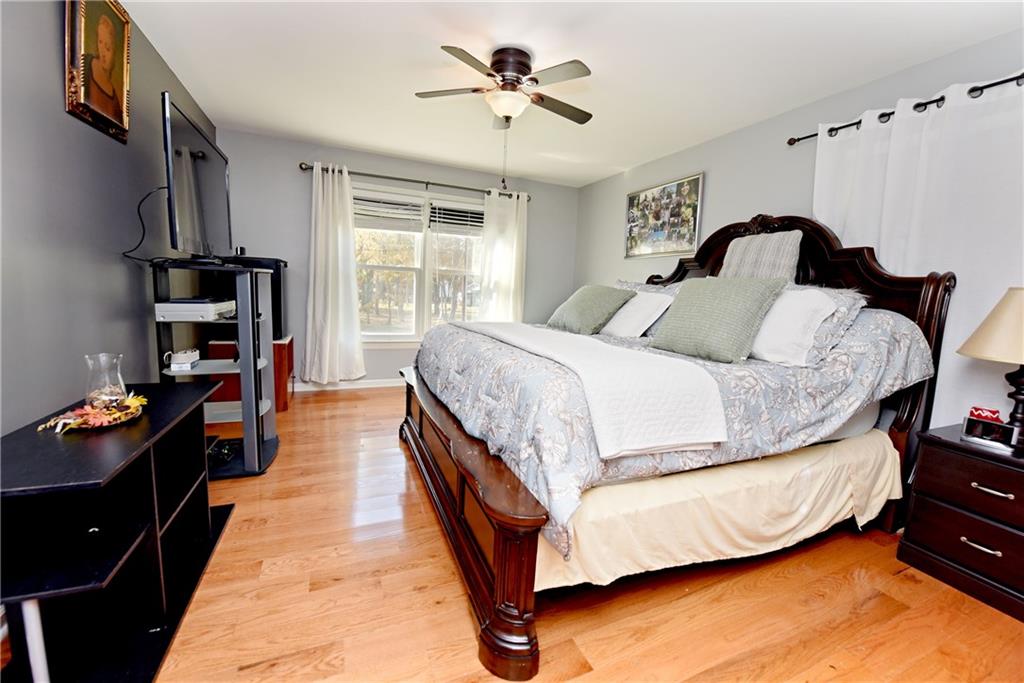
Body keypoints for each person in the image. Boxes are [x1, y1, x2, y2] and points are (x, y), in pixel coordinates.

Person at [84, 14, 123, 123]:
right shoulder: (85, 63)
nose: (103, 52)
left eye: (108, 48)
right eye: (100, 42)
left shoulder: (115, 101)